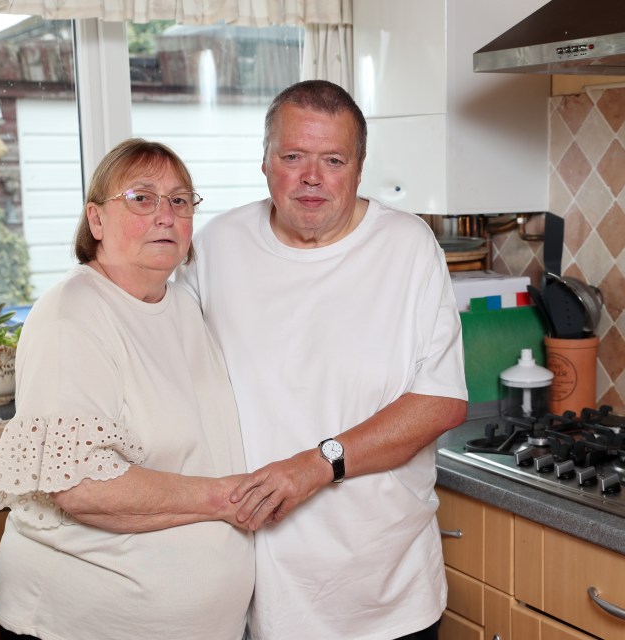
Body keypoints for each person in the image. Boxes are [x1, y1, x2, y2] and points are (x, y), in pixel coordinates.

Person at [176, 80, 468, 639]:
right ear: (265, 161)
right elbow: (171, 374)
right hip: (253, 594)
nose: (312, 178)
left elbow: (441, 402)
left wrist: (316, 465)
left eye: (333, 160)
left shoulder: (408, 247)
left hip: (385, 596)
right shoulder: (216, 246)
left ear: (359, 168)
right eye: (293, 157)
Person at [0, 138, 254, 640]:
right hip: (84, 625)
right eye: (141, 198)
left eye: (179, 200)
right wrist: (228, 499)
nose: (165, 216)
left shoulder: (182, 306)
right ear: (97, 220)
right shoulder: (74, 313)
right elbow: (82, 487)